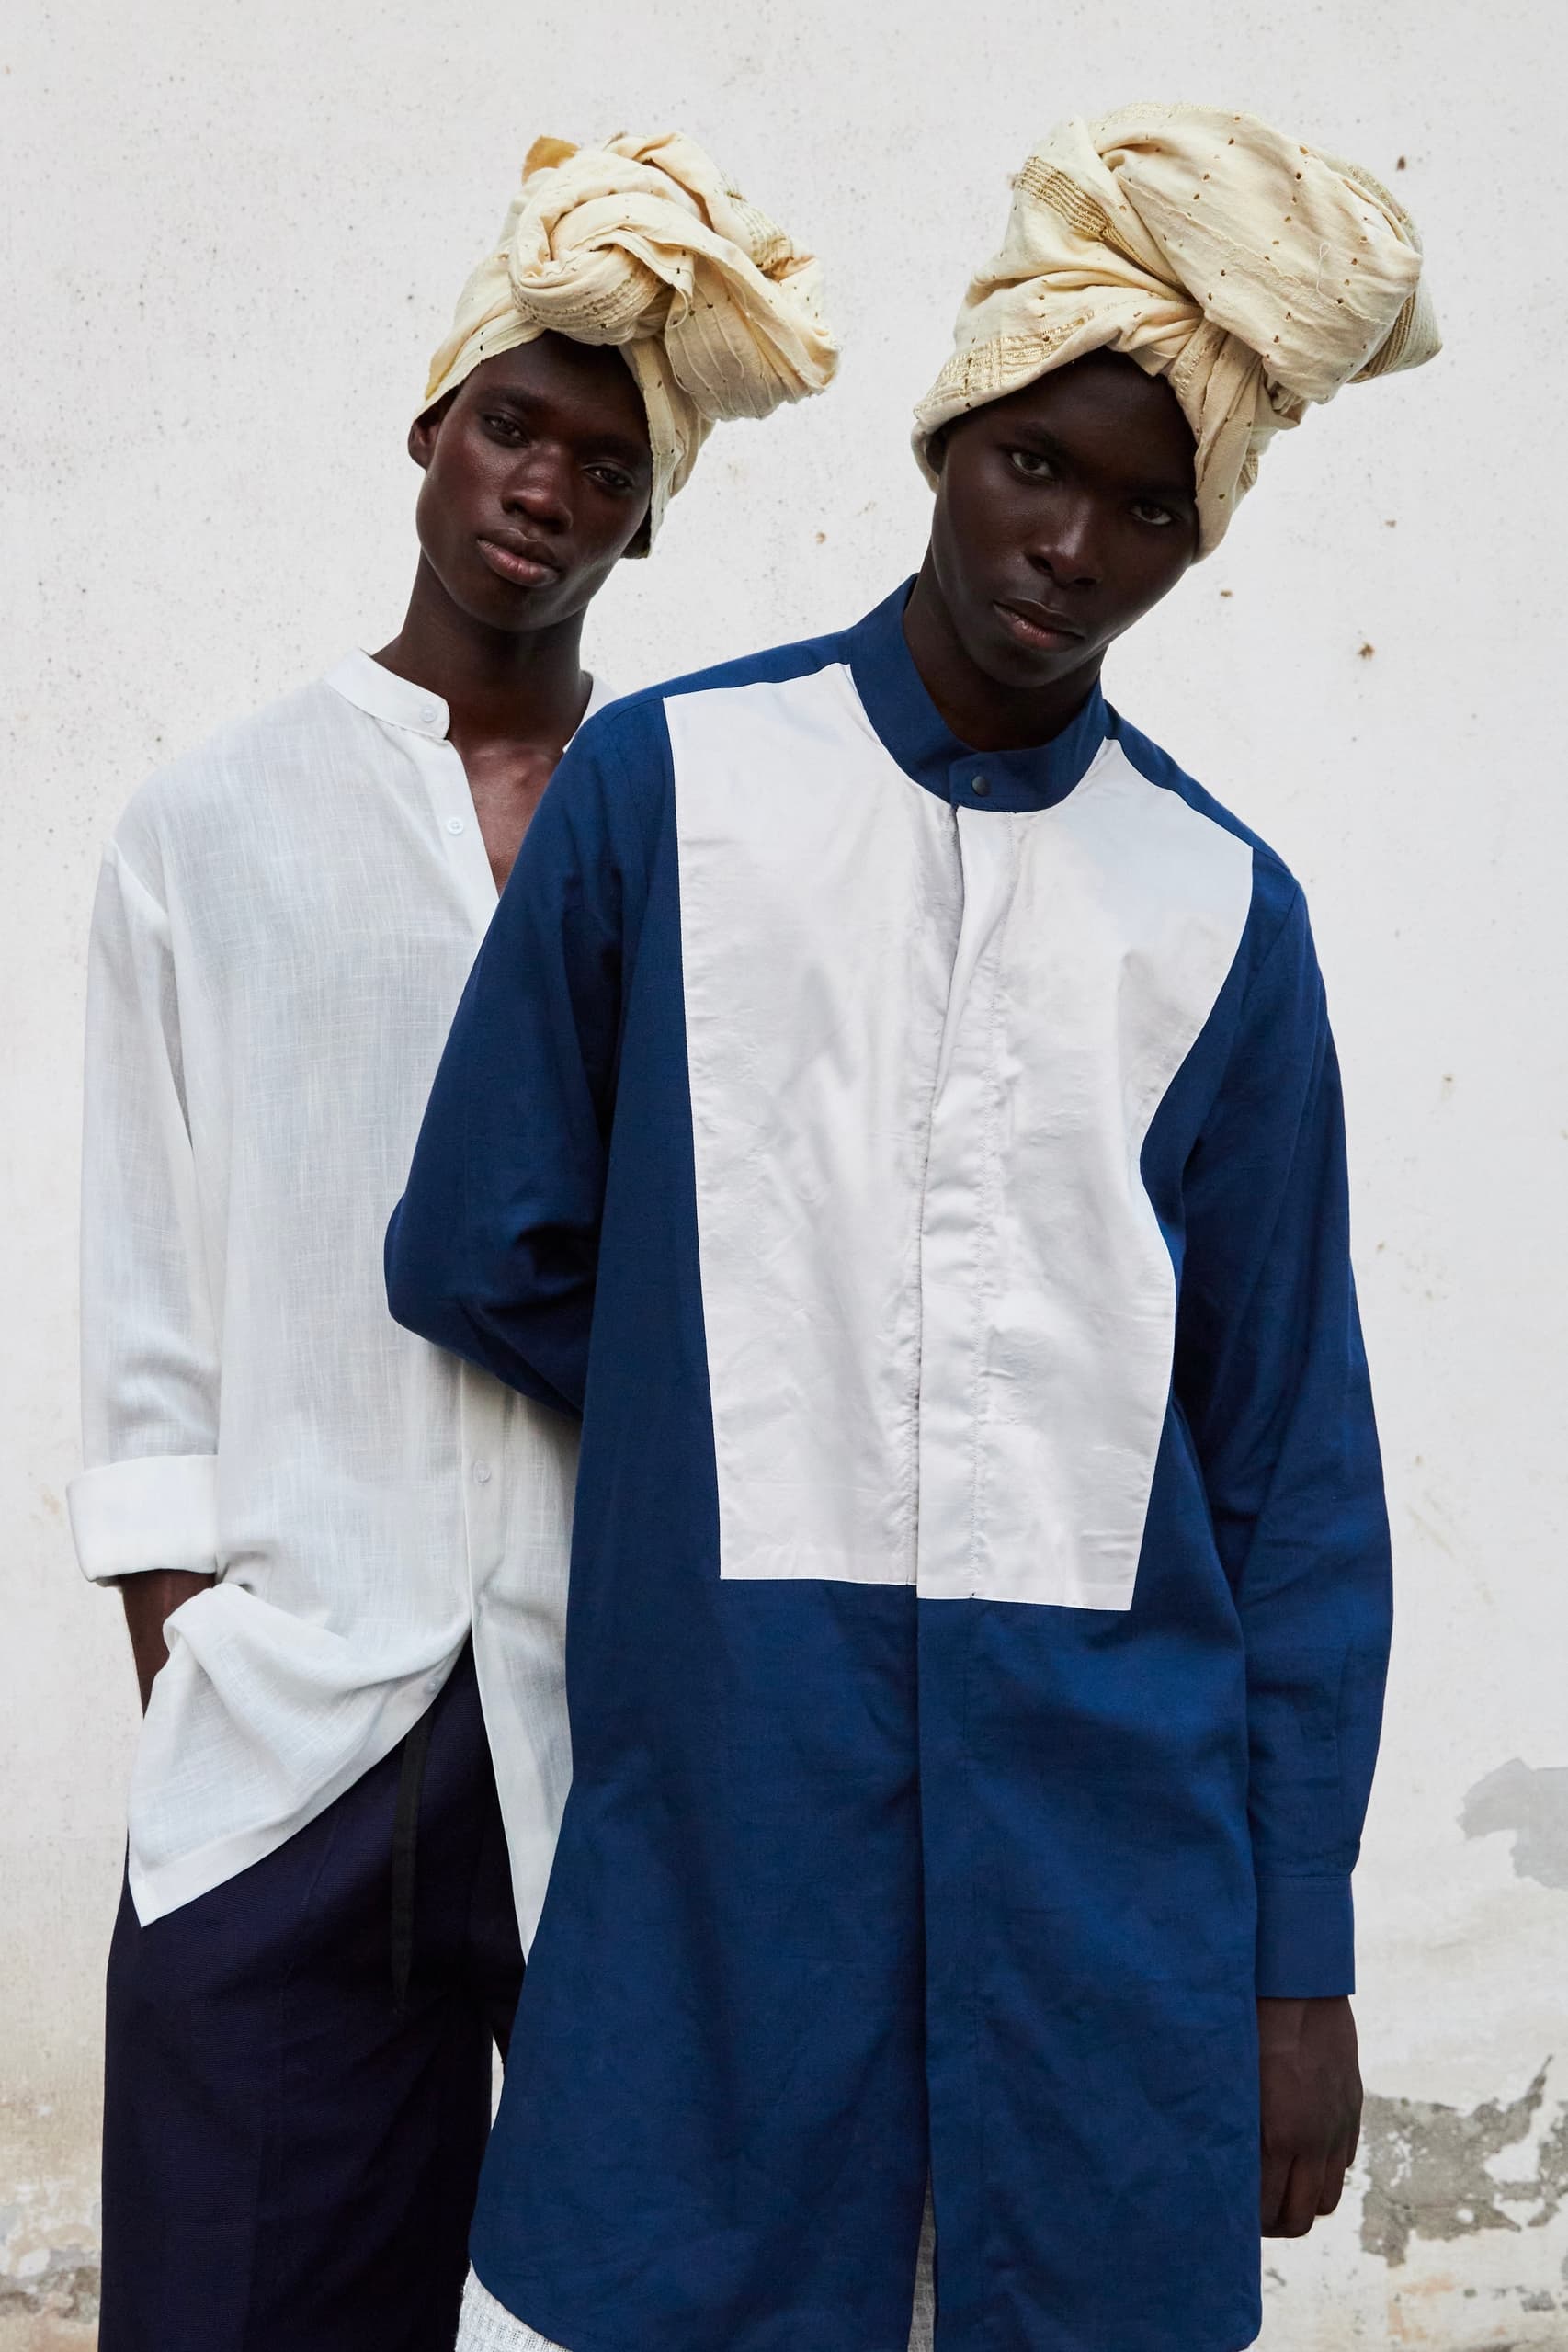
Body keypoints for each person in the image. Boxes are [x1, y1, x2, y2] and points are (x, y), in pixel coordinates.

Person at [386, 104, 1437, 2352]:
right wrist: (737, 1403)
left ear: (1195, 545)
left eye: (1148, 509)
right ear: (949, 436)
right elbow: (477, 1236)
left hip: (1111, 1880)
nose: (1070, 543)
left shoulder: (1219, 910)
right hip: (730, 1832)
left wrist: (1298, 1957)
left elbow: (1290, 1470)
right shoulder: (672, 795)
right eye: (1034, 465)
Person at [69, 130, 834, 2352]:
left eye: (607, 463)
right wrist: (192, 1642)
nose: (547, 486)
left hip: (618, 1727)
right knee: (238, 2303)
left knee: (643, 2312)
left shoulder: (702, 829)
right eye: (516, 424)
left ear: (646, 516)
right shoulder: (209, 822)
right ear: (431, 426)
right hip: (299, 1720)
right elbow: (144, 1284)